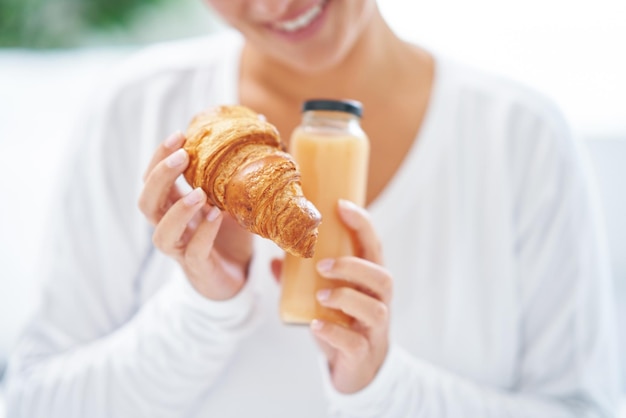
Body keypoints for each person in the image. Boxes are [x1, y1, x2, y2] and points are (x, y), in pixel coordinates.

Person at [5, 0, 620, 416]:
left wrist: (385, 388)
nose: (273, 4)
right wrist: (201, 314)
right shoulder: (134, 109)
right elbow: (32, 399)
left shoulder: (521, 137)